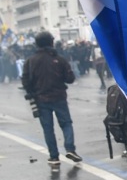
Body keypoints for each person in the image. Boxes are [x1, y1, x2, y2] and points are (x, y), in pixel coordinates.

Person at [21, 31, 82, 167]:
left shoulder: (30, 61)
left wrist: (32, 92)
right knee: (66, 123)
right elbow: (70, 79)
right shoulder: (59, 59)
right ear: (51, 42)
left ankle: (54, 157)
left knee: (48, 129)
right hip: (59, 97)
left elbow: (25, 81)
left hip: (41, 99)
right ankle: (70, 148)